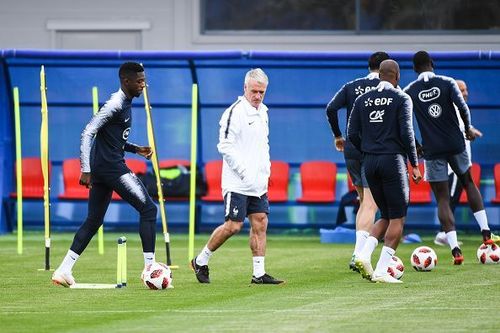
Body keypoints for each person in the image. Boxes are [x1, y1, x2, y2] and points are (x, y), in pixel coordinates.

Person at [52, 62, 158, 287]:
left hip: (104, 167)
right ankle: (151, 269)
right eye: (139, 81)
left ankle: (63, 270)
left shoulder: (126, 103)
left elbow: (113, 139)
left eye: (144, 80)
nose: (143, 85)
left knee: (93, 220)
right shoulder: (115, 104)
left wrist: (135, 149)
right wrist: (85, 169)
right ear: (126, 81)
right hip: (111, 169)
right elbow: (88, 132)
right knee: (149, 209)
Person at [190, 68, 284, 285]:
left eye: (262, 92)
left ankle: (259, 274)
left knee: (260, 222)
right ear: (245, 88)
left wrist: (264, 172)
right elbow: (224, 145)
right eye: (254, 91)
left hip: (258, 183)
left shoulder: (263, 112)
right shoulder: (234, 112)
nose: (258, 96)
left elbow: (263, 145)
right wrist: (244, 172)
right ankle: (201, 260)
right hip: (237, 183)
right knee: (233, 226)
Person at [404, 51, 494, 264]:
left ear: (415, 68)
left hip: (432, 150)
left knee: (442, 199)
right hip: (456, 144)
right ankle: (486, 231)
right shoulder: (447, 82)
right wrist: (468, 130)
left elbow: (406, 124)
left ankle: (455, 249)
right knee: (468, 182)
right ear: (432, 64)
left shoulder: (409, 91)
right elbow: (462, 108)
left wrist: (416, 146)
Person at [347, 59, 422, 283]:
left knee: (386, 215)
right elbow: (407, 133)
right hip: (392, 161)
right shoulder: (402, 98)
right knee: (398, 217)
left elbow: (351, 134)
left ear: (379, 75)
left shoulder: (362, 100)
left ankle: (362, 254)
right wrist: (415, 164)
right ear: (397, 77)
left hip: (369, 162)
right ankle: (381, 271)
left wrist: (368, 149)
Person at [326, 51, 390, 271]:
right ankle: (359, 254)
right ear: (386, 68)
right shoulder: (388, 88)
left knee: (364, 202)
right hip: (373, 149)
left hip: (351, 149)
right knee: (371, 204)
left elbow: (331, 108)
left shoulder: (352, 86)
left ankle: (359, 251)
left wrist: (337, 135)